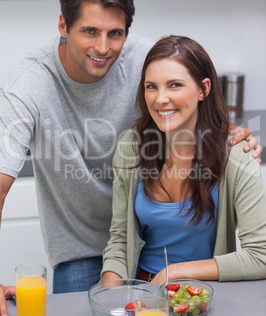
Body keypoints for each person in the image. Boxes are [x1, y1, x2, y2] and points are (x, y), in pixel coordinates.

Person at [0, 0, 262, 316]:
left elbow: (184, 90)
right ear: (63, 26)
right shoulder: (28, 86)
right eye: (89, 31)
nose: (103, 47)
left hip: (151, 247)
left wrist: (223, 132)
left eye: (115, 33)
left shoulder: (143, 58)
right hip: (83, 240)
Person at [101, 35, 266, 284]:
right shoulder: (131, 147)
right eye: (151, 86)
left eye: (175, 85)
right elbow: (120, 241)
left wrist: (173, 273)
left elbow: (261, 256)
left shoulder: (236, 154)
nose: (160, 98)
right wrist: (110, 299)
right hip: (142, 290)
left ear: (203, 89)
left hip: (202, 296)